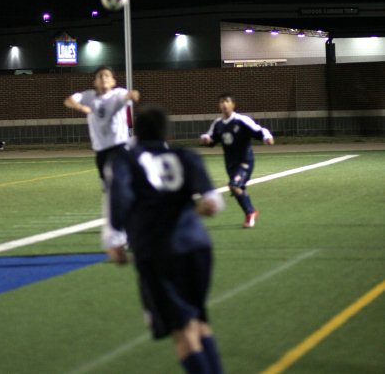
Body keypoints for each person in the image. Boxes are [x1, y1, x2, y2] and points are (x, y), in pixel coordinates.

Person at [106, 105, 225, 374]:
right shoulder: (185, 155)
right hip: (197, 245)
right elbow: (213, 200)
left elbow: (120, 197)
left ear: (137, 130)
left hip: (158, 250)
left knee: (181, 332)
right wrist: (196, 207)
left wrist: (115, 239)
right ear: (166, 132)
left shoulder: (127, 159)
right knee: (197, 321)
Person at [63, 65, 140, 247]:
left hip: (120, 148)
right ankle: (122, 231)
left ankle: (129, 233)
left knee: (120, 190)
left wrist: (132, 95)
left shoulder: (118, 93)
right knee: (110, 194)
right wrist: (80, 107)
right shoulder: (88, 96)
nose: (104, 78)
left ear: (113, 81)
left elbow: (129, 95)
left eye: (107, 76)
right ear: (95, 81)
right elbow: (68, 100)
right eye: (100, 76)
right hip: (101, 152)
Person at [200, 93, 274, 228]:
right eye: (221, 102)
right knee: (235, 188)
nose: (224, 104)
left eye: (227, 101)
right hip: (230, 163)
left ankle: (250, 212)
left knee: (234, 186)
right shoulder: (218, 124)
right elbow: (211, 138)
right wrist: (206, 139)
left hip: (245, 161)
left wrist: (267, 137)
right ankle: (249, 211)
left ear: (233, 105)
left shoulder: (241, 120)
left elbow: (259, 130)